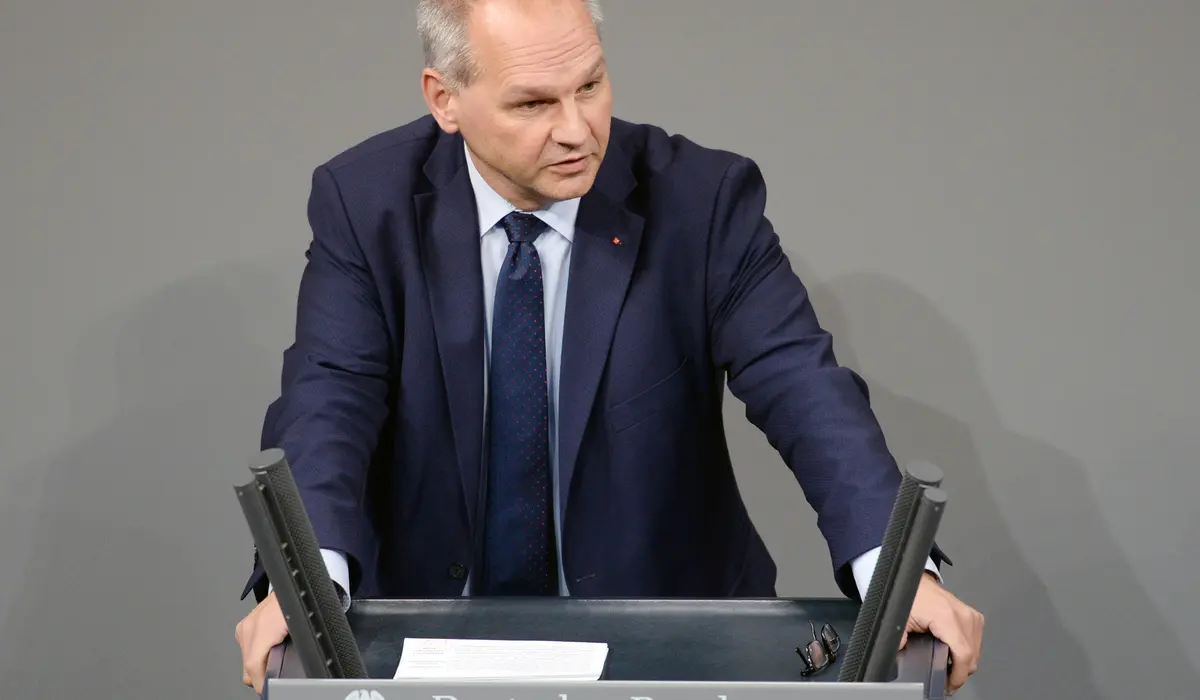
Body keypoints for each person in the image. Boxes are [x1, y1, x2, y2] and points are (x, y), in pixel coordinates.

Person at [235, 0, 984, 694]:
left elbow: (802, 382)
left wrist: (895, 575)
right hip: (429, 638)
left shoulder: (701, 201)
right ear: (445, 100)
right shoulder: (366, 206)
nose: (576, 128)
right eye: (533, 102)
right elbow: (329, 396)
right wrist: (304, 591)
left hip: (669, 642)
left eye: (590, 85)